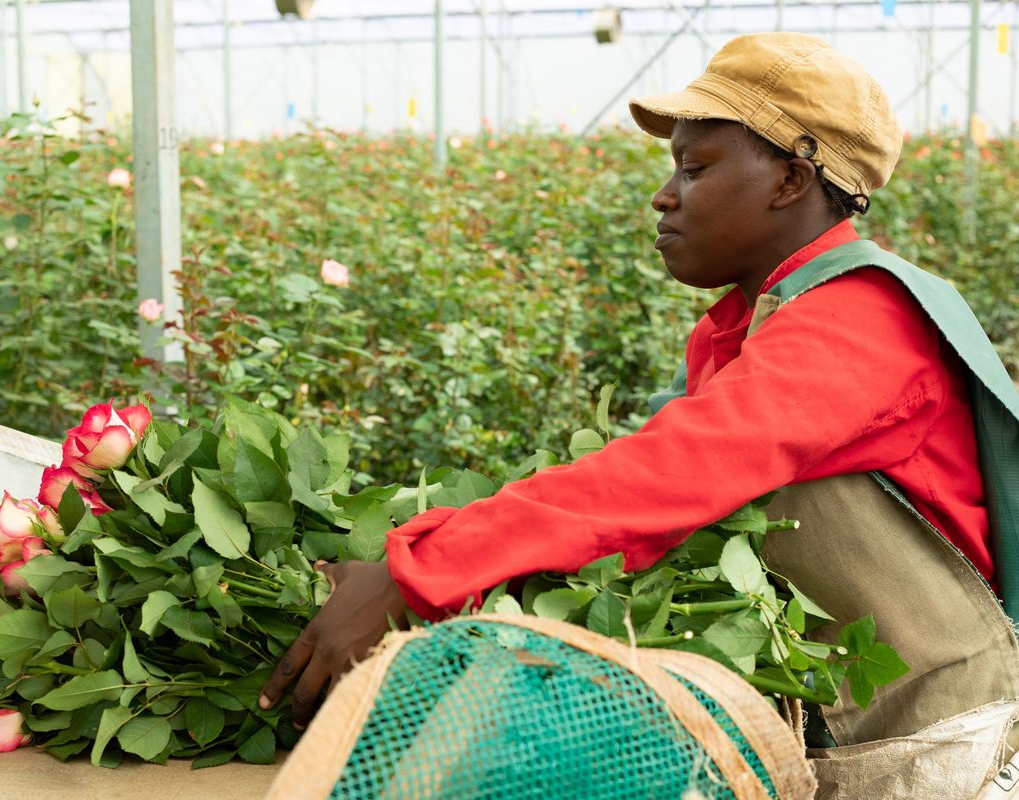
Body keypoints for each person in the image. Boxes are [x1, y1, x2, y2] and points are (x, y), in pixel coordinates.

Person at [260, 32, 1019, 798]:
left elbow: (666, 476)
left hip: (947, 747)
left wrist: (423, 571)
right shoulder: (746, 326)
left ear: (791, 179)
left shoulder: (859, 322)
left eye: (694, 169)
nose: (664, 195)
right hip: (854, 730)